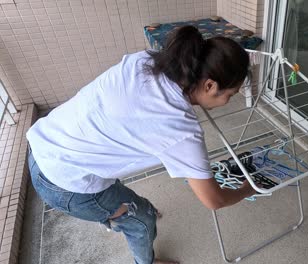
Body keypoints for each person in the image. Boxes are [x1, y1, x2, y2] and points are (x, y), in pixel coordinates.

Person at [26, 25, 256, 264]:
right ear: (210, 86)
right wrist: (248, 189)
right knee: (143, 218)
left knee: (130, 201)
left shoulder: (145, 60)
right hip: (65, 184)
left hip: (44, 142)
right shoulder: (181, 129)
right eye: (230, 94)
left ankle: (112, 215)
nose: (228, 102)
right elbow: (214, 200)